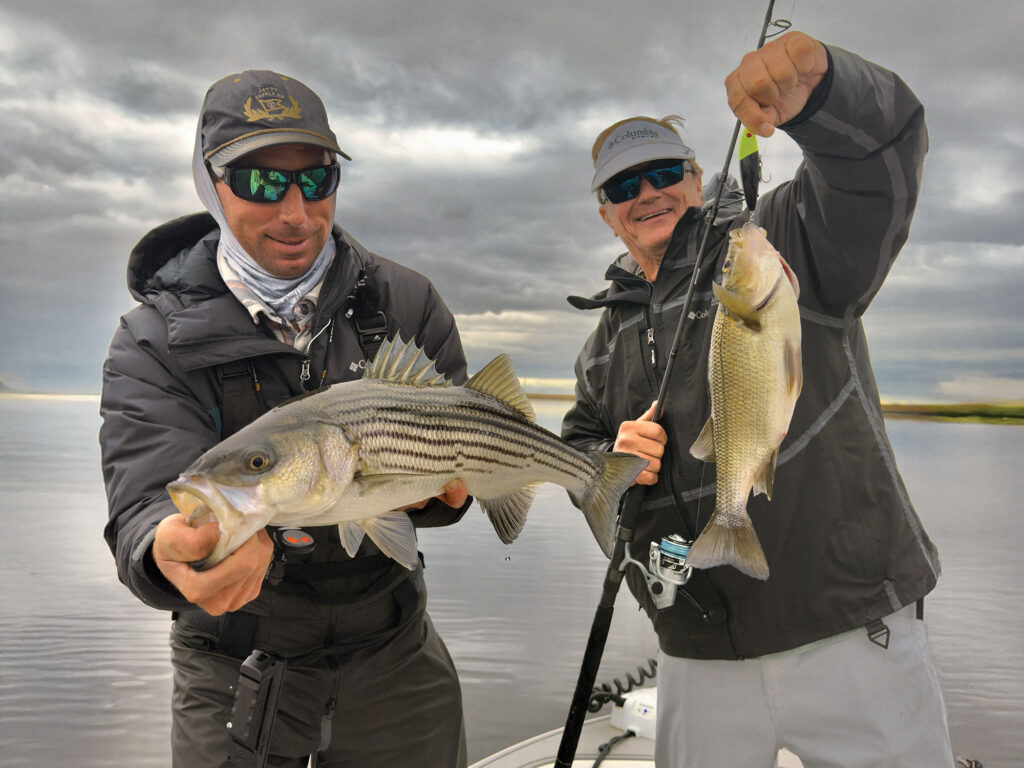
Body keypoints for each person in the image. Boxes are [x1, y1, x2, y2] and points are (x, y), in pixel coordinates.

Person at [562, 31, 957, 767]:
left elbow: (880, 165)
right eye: (623, 187)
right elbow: (579, 449)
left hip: (845, 622)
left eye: (663, 173)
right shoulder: (605, 339)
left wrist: (827, 94)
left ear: (697, 175)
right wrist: (609, 460)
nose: (646, 193)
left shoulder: (781, 239)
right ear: (606, 214)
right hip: (695, 641)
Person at [100, 70, 469, 767]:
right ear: (210, 185)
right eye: (262, 183)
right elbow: (146, 498)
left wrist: (451, 493)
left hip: (395, 655)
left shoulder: (408, 302)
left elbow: (450, 472)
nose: (296, 212)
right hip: (232, 664)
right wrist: (164, 549)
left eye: (317, 178)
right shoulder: (151, 341)